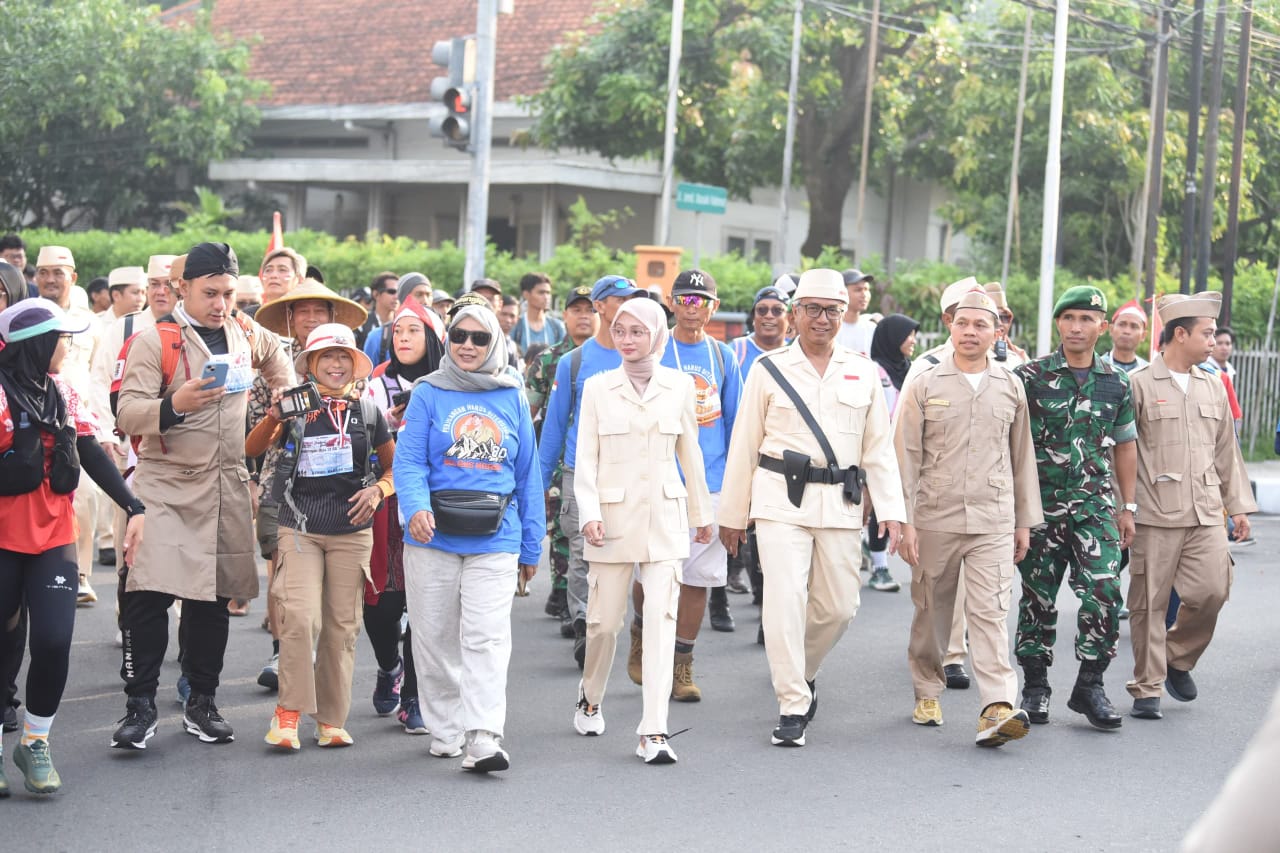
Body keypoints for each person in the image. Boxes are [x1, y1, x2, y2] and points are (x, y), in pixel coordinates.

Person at [110, 242, 293, 750]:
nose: (219, 303)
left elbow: (280, 362)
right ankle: (140, 706)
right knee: (146, 595)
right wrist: (174, 404)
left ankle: (202, 703)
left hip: (225, 485)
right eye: (209, 292)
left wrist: (283, 391)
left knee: (212, 603)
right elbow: (127, 414)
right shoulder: (155, 341)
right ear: (181, 288)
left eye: (228, 293)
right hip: (164, 482)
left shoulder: (245, 333)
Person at [718, 268, 907, 748]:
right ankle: (792, 704)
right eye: (813, 309)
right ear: (795, 313)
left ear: (845, 315)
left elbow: (878, 449)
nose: (823, 319)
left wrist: (891, 510)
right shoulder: (768, 369)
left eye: (833, 311)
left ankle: (802, 670)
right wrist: (732, 515)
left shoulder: (863, 370)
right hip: (780, 499)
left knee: (840, 606)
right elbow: (744, 445)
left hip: (841, 502)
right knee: (784, 600)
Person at [0, 299, 145, 794]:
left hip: (54, 536)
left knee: (54, 640)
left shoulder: (62, 391)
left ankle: (35, 742)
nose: (69, 345)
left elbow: (89, 452)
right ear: (35, 344)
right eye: (61, 338)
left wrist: (134, 506)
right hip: (2, 536)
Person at [393, 304, 544, 773]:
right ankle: (446, 729)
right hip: (432, 536)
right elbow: (410, 460)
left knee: (486, 639)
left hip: (497, 537)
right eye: (460, 335)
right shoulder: (427, 393)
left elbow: (528, 476)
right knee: (435, 639)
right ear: (448, 339)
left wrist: (532, 545)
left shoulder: (512, 394)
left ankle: (483, 736)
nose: (468, 346)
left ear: (495, 342)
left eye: (480, 339)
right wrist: (415, 508)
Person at [895, 289, 1041, 746]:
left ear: (998, 332)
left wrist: (1023, 522)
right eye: (964, 324)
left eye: (982, 325)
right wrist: (904, 522)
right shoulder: (926, 383)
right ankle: (926, 687)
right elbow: (906, 457)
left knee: (991, 612)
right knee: (932, 611)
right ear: (950, 328)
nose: (971, 332)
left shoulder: (1010, 384)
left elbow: (1022, 458)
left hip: (993, 518)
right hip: (935, 515)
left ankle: (997, 705)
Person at [573, 296, 712, 764]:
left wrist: (702, 513)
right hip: (610, 521)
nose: (628, 340)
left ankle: (653, 730)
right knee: (604, 624)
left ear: (656, 334)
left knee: (660, 623)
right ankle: (590, 695)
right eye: (621, 331)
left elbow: (689, 451)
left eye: (638, 331)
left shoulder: (678, 386)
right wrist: (588, 511)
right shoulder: (596, 387)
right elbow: (585, 460)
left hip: (666, 519)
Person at [246, 325, 395, 750]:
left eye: (343, 356)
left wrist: (378, 491)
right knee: (300, 617)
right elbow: (253, 448)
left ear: (354, 364)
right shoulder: (294, 409)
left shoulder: (368, 412)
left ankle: (330, 720)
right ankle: (287, 715)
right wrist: (275, 415)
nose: (335, 364)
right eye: (326, 356)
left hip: (352, 532)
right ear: (310, 364)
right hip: (300, 528)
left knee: (342, 627)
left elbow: (393, 470)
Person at [1126, 291, 1256, 721]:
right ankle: (1147, 687)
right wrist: (1123, 507)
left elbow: (1226, 451)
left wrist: (1237, 507)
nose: (1214, 341)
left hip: (1204, 510)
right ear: (1180, 335)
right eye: (1207, 333)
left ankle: (1177, 657)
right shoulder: (1140, 385)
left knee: (1213, 590)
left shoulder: (1212, 385)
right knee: (1149, 602)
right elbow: (1121, 454)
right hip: (1154, 511)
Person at [1011, 286, 1136, 732]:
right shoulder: (1031, 376)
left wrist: (1128, 506)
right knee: (1038, 599)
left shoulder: (1116, 382)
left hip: (1094, 506)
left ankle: (1090, 684)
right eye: (1069, 318)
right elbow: (1012, 443)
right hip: (1041, 508)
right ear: (1058, 324)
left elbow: (1125, 444)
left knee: (1104, 589)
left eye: (1086, 318)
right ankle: (1036, 686)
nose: (1077, 326)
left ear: (1102, 326)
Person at [248, 279, 368, 690]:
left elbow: (377, 436)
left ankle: (318, 660)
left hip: (344, 493)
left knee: (335, 595)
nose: (311, 318)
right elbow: (253, 433)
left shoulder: (352, 369)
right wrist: (274, 415)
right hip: (281, 485)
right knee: (282, 571)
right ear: (289, 318)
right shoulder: (272, 363)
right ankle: (285, 651)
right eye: (303, 312)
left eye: (320, 311)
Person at [632, 269, 740, 702]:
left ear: (713, 307)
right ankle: (641, 632)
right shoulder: (654, 353)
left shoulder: (722, 357)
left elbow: (737, 425)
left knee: (698, 578)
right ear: (671, 304)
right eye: (685, 299)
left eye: (702, 300)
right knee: (651, 572)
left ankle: (682, 664)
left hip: (710, 485)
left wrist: (738, 491)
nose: (693, 307)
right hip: (659, 479)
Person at [538, 275, 644, 667]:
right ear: (600, 306)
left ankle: (618, 625)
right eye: (620, 300)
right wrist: (535, 487)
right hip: (580, 473)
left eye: (634, 300)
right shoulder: (575, 361)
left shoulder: (645, 357)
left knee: (629, 556)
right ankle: (585, 624)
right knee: (583, 553)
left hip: (632, 475)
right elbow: (553, 427)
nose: (629, 306)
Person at [363, 295, 445, 733]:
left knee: (423, 604)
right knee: (380, 605)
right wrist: (393, 426)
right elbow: (366, 440)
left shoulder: (450, 383)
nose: (404, 338)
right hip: (385, 499)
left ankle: (413, 694)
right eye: (397, 331)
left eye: (414, 330)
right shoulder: (375, 383)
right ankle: (388, 664)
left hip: (432, 501)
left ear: (433, 338)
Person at [33, 246, 108, 608]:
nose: (50, 279)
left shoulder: (90, 322)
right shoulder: (25, 315)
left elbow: (99, 375)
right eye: (43, 272)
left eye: (58, 272)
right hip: (32, 419)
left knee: (85, 496)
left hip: (77, 423)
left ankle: (78, 574)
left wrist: (104, 428)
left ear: (72, 277)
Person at [522, 284, 599, 633]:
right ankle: (564, 589)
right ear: (564, 316)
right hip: (559, 459)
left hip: (602, 460)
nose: (584, 316)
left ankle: (582, 600)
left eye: (590, 310)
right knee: (562, 527)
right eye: (576, 310)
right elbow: (527, 413)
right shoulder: (550, 360)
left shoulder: (616, 358)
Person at [727, 284, 790, 605]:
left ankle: (765, 596)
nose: (768, 316)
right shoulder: (736, 352)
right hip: (742, 451)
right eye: (761, 310)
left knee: (767, 528)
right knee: (737, 520)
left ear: (789, 318)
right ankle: (725, 587)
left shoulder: (797, 354)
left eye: (776, 310)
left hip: (780, 459)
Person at [865, 313, 919, 593]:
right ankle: (879, 566)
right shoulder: (874, 371)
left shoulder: (911, 370)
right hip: (880, 451)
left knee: (896, 507)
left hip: (905, 451)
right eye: (907, 335)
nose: (912, 341)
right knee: (877, 509)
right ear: (892, 339)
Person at [363, 272, 431, 365]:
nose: (425, 301)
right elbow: (367, 375)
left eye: (429, 295)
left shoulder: (443, 336)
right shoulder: (377, 337)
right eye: (419, 294)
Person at [512, 272, 565, 351]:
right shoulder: (515, 326)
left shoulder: (557, 327)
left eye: (548, 293)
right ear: (526, 294)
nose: (546, 297)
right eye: (541, 292)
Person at [835, 268, 876, 355]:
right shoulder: (831, 329)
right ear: (842, 293)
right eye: (858, 290)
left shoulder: (872, 329)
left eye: (866, 289)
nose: (864, 295)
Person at [1101, 300, 1149, 374]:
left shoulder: (1148, 372)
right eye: (1122, 324)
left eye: (1134, 326)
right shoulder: (1096, 367)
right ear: (1111, 329)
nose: (1127, 331)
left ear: (1143, 335)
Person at [356, 271, 398, 350]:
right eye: (391, 292)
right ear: (376, 294)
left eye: (399, 292)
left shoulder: (403, 324)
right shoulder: (360, 324)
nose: (396, 296)